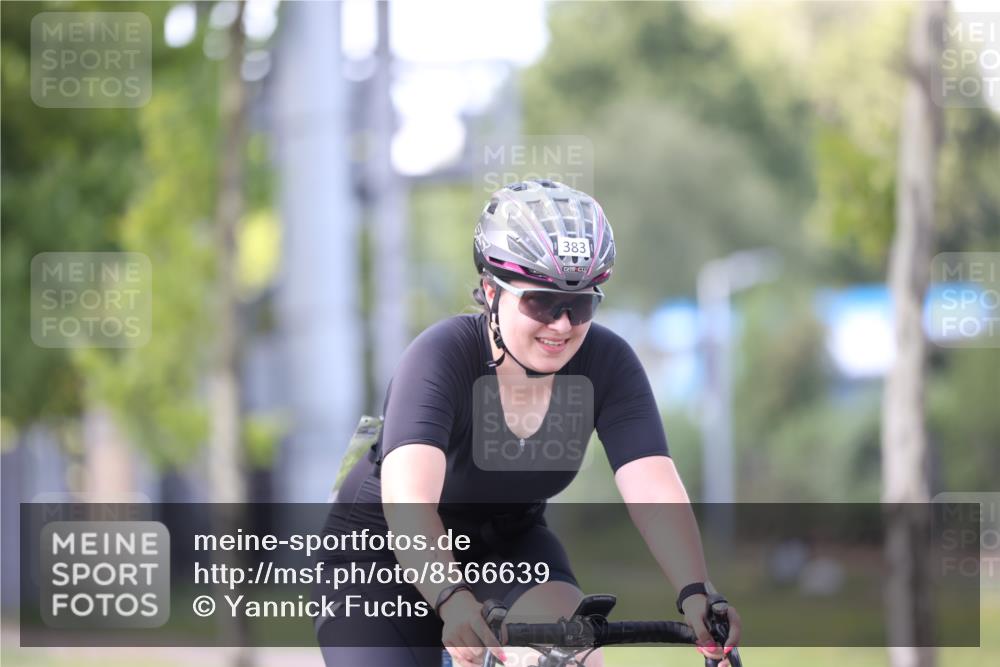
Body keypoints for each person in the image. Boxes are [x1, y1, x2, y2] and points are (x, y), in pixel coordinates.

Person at [314, 179, 741, 667]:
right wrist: (452, 599)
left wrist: (696, 593)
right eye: (541, 301)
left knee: (573, 655)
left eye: (581, 304)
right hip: (381, 558)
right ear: (492, 291)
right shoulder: (440, 356)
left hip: (508, 545)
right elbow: (408, 505)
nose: (562, 324)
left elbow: (655, 489)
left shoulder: (608, 364)